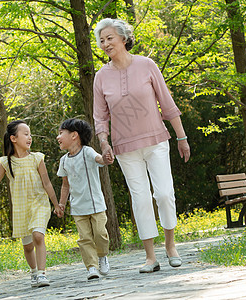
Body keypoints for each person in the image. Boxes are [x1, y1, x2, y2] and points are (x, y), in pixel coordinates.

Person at [93, 18, 191, 273]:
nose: (105, 44)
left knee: (164, 194)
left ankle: (170, 245)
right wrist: (104, 144)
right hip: (124, 147)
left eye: (109, 38)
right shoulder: (100, 77)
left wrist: (181, 137)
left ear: (123, 39)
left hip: (156, 140)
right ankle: (150, 256)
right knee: (141, 200)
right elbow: (100, 117)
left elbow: (167, 104)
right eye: (101, 40)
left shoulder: (147, 65)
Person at [0, 120, 62, 288]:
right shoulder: (6, 163)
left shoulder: (37, 158)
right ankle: (34, 271)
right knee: (28, 247)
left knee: (38, 236)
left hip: (39, 204)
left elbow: (47, 183)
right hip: (22, 208)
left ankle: (42, 273)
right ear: (13, 138)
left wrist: (56, 204)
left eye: (30, 134)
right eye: (26, 134)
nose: (30, 137)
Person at [56, 118, 113, 280]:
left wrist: (106, 158)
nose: (58, 137)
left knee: (100, 234)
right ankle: (92, 267)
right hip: (78, 208)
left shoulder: (87, 151)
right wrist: (61, 203)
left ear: (74, 135)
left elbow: (100, 160)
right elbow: (65, 186)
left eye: (61, 133)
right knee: (85, 238)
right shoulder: (64, 161)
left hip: (96, 204)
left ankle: (102, 256)